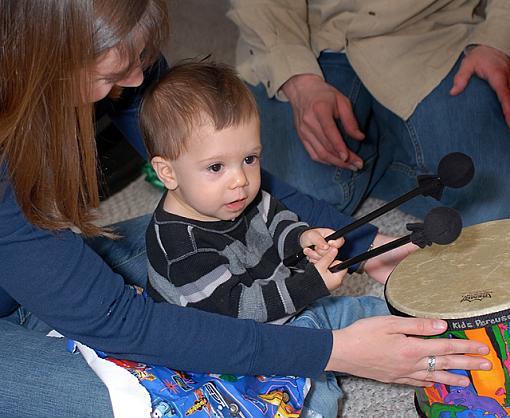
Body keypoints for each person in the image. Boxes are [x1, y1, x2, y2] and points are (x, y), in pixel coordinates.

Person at [0, 1, 492, 417]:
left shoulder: (126, 63)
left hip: (30, 261)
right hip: (26, 294)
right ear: (43, 57)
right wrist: (329, 353)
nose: (136, 79)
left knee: (226, 225)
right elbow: (123, 323)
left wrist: (361, 243)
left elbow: (236, 185)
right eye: (111, 74)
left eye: (143, 58)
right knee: (148, 397)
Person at [227, 0, 510, 227]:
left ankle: (377, 151)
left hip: (434, 32)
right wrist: (297, 79)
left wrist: (497, 39)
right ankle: (388, 148)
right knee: (287, 211)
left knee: (494, 205)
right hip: (308, 37)